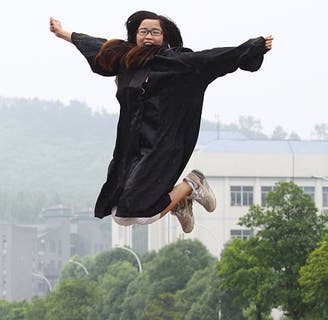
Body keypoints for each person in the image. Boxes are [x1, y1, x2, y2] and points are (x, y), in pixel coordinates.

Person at [49, 11, 273, 232]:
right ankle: (180, 201)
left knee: (139, 212)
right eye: (143, 31)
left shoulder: (177, 63)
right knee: (120, 213)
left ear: (164, 37)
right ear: (135, 35)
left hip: (161, 144)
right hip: (130, 147)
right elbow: (94, 45)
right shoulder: (125, 59)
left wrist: (253, 47)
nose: (148, 36)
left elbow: (213, 58)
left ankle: (193, 183)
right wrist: (63, 33)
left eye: (155, 32)